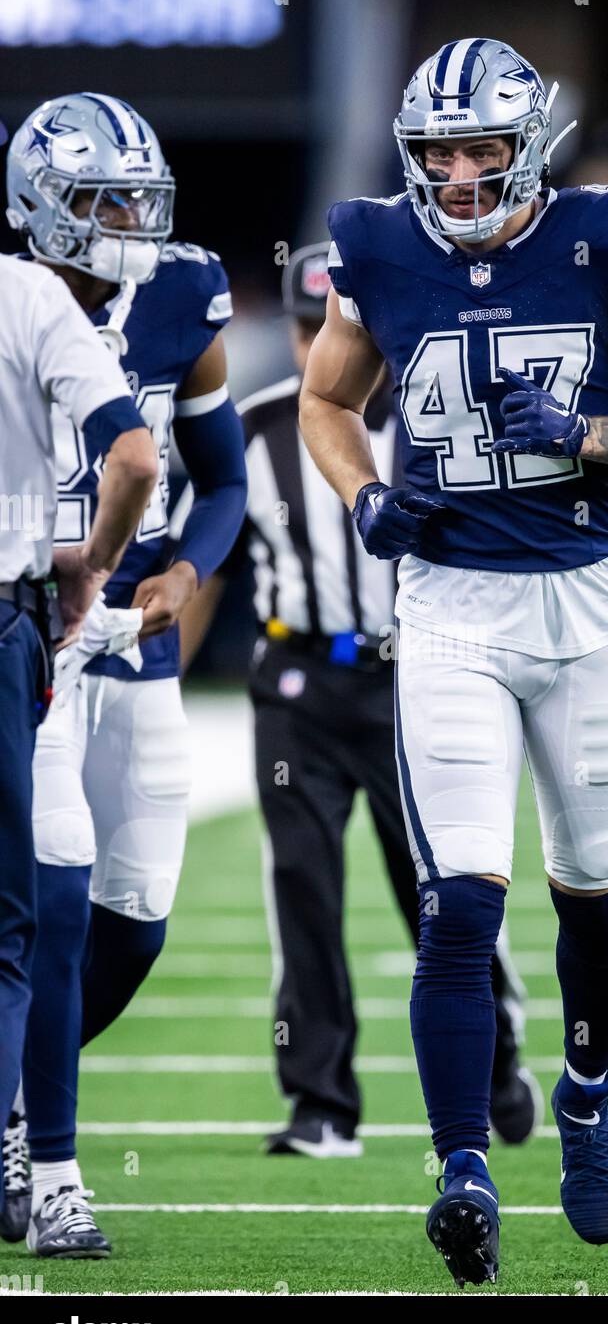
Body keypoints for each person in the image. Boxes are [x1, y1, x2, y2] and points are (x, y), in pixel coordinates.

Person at [300, 37, 608, 1286]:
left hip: (592, 607)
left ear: (526, 147)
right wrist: (360, 500)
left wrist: (589, 429)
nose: (450, 172)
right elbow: (328, 403)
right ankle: (461, 1168)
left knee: (592, 896)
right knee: (458, 910)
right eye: (432, 152)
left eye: (476, 148)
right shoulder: (375, 246)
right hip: (449, 610)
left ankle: (586, 1095)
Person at [180, 241, 538, 1158]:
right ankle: (321, 1103)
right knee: (300, 885)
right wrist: (160, 682)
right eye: (302, 329)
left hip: (409, 676)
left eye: (327, 326)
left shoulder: (430, 423)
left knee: (441, 883)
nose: (313, 348)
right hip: (294, 685)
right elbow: (207, 567)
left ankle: (496, 1059)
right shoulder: (255, 432)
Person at [0, 92, 247, 1258]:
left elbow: (225, 478)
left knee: (131, 927)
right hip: (33, 631)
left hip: (133, 648)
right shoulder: (13, 304)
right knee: (47, 905)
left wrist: (186, 576)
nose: (126, 222)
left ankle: (7, 1100)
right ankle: (53, 1176)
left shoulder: (182, 295)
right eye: (102, 199)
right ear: (43, 208)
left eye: (137, 198)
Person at [0, 247, 158, 1241]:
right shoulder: (28, 295)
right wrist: (93, 565)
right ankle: (36, 1159)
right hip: (8, 615)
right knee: (12, 931)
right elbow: (136, 456)